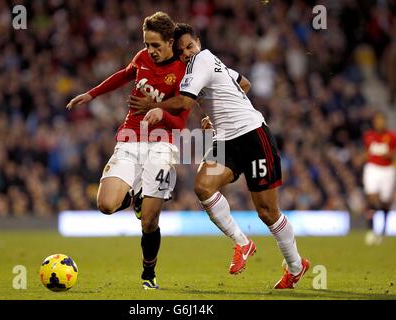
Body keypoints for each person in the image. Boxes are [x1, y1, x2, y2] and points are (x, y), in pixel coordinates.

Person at [130, 23, 310, 289]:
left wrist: (154, 105)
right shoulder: (203, 64)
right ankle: (243, 242)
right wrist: (216, 114)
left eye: (190, 46)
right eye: (182, 51)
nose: (188, 53)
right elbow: (242, 83)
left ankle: (296, 266)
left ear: (198, 43)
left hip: (252, 135)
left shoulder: (202, 59)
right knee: (203, 186)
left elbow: (183, 103)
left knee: (267, 212)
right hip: (226, 140)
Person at [66, 12, 189, 290]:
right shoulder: (142, 58)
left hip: (162, 144)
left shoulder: (183, 72)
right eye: (147, 44)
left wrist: (156, 110)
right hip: (130, 140)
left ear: (170, 42)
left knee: (149, 221)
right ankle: (134, 196)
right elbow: (124, 75)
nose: (150, 51)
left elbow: (181, 120)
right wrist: (93, 93)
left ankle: (148, 273)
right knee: (106, 205)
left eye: (156, 45)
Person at [362, 111, 396, 245]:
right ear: (374, 122)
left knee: (385, 202)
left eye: (382, 120)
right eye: (378, 120)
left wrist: (389, 155)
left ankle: (383, 230)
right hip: (372, 169)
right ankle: (371, 230)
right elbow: (367, 152)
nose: (380, 123)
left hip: (387, 170)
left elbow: (393, 154)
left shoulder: (392, 136)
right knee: (371, 197)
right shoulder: (368, 135)